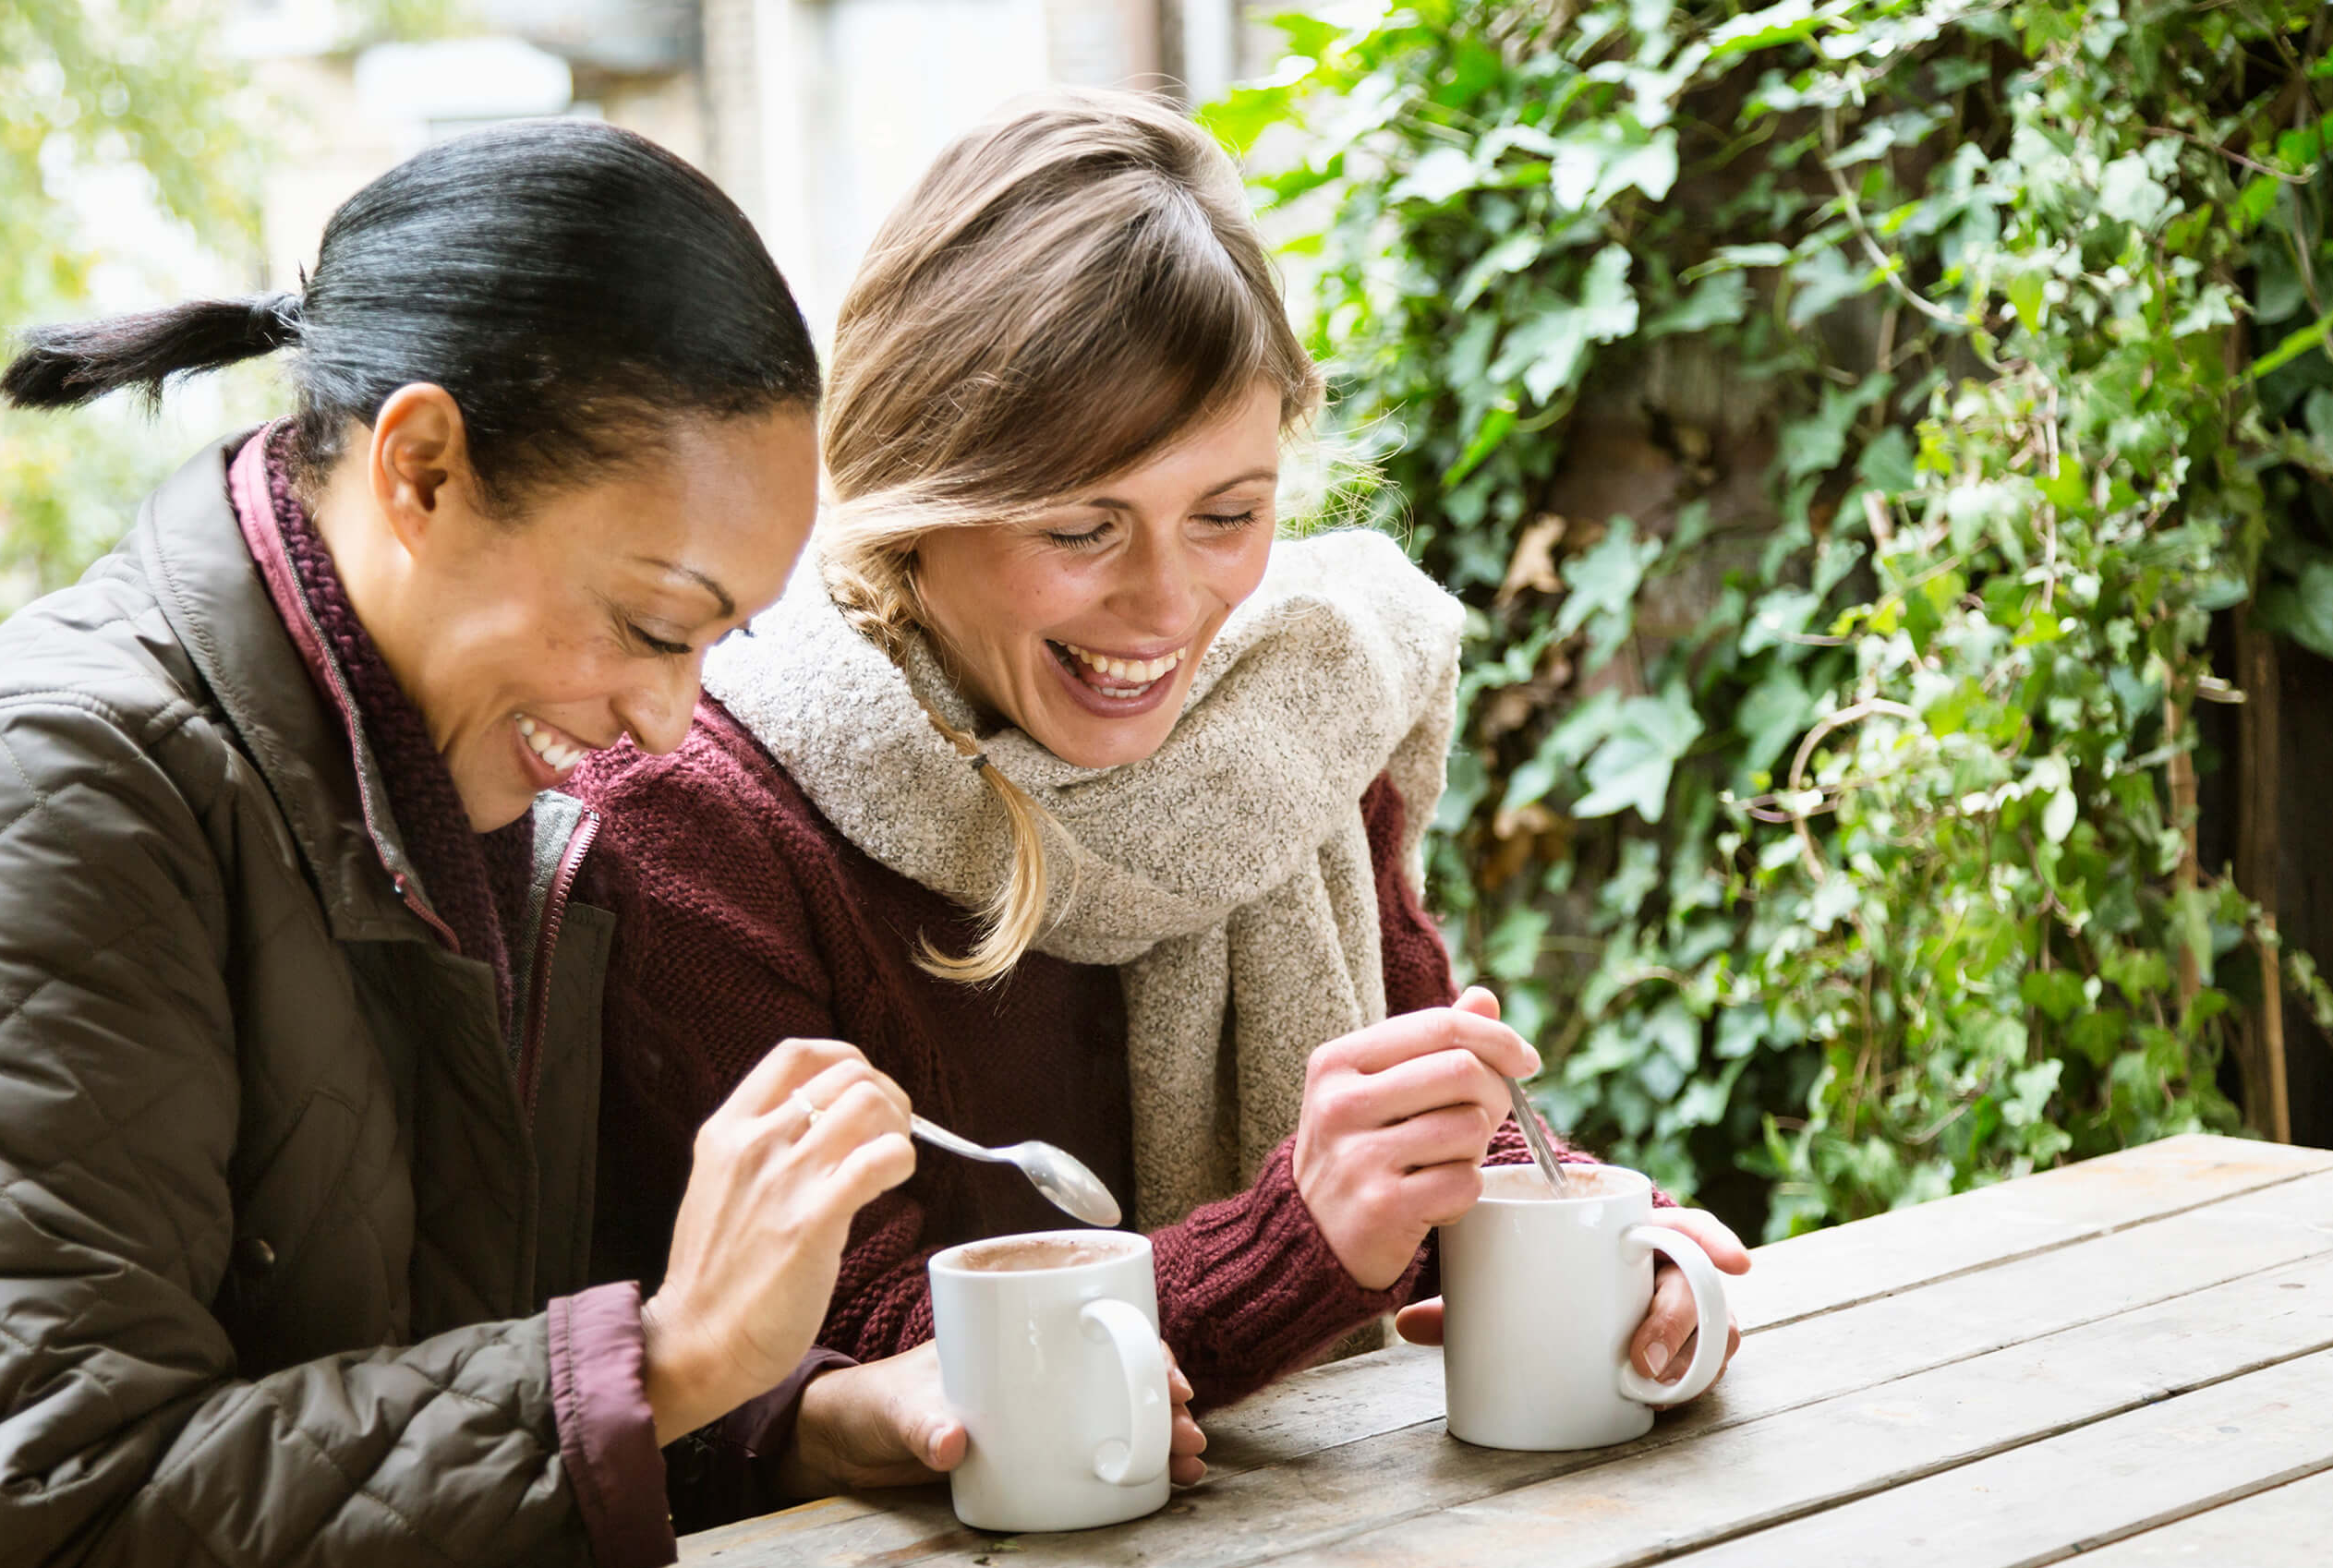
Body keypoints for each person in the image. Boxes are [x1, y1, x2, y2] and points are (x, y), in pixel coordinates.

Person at [0, 122, 1069, 1568]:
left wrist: (769, 1425)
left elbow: (422, 1407)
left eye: (716, 643)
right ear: (419, 469)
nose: (669, 715)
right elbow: (51, 1537)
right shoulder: (56, 785)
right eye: (653, 623)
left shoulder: (491, 808)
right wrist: (663, 1357)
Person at [576, 90, 1748, 1428]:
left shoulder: (1297, 706)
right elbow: (864, 1363)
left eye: (1230, 514)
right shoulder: (705, 815)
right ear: (918, 493)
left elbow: (1421, 1155)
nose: (1169, 605)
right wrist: (1299, 1240)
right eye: (1082, 528)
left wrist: (1599, 1240)